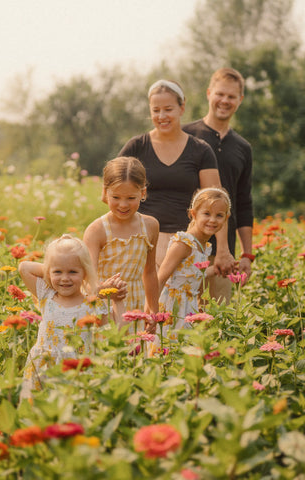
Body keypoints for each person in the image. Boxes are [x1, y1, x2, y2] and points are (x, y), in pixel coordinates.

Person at [118, 79, 234, 275]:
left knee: (183, 302)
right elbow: (111, 194)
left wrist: (222, 249)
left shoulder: (200, 150)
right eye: (156, 110)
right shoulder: (136, 147)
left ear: (182, 108)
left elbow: (217, 202)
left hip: (187, 244)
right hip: (143, 243)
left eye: (168, 109)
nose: (161, 116)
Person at [18, 234, 126, 399]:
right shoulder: (46, 294)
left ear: (85, 273)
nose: (64, 278)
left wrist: (117, 302)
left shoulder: (93, 304)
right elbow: (24, 267)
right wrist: (50, 269)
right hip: (44, 369)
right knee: (38, 411)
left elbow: (116, 335)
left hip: (77, 373)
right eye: (58, 272)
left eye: (73, 271)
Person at [183, 68, 253, 303]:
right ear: (209, 93)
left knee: (219, 321)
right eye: (220, 94)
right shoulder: (186, 136)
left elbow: (243, 202)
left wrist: (247, 254)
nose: (225, 101)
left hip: (224, 255)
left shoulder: (243, 148)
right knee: (181, 319)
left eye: (232, 97)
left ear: (240, 100)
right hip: (186, 249)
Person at [83, 156, 159, 323]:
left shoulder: (150, 226)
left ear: (143, 193)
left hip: (136, 305)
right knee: (110, 348)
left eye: (131, 198)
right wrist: (106, 290)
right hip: (105, 307)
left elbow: (150, 272)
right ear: (105, 192)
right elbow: (88, 282)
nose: (123, 205)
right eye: (116, 197)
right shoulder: (97, 230)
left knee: (135, 349)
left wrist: (153, 310)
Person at [157, 187, 231, 340]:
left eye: (219, 215)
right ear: (193, 214)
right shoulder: (184, 243)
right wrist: (151, 310)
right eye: (206, 214)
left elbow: (191, 274)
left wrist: (214, 270)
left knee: (184, 350)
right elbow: (161, 277)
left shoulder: (203, 245)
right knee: (167, 346)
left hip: (188, 306)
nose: (212, 220)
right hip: (172, 305)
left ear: (226, 218)